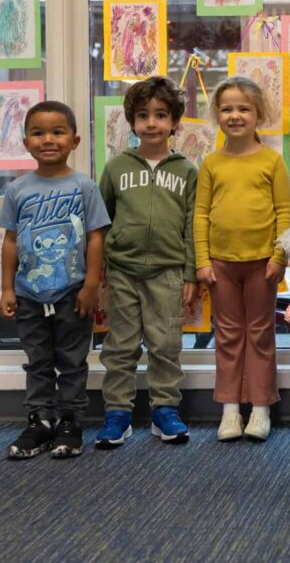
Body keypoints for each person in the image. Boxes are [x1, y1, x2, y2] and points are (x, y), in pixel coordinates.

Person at [0, 101, 110, 459]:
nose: (48, 139)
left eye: (58, 132)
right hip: (30, 293)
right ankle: (39, 421)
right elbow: (11, 240)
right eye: (38, 132)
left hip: (72, 292)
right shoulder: (18, 190)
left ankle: (70, 422)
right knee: (38, 360)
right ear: (26, 141)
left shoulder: (84, 186)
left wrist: (92, 285)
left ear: (75, 140)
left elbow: (95, 237)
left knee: (73, 360)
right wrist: (6, 287)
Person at [96, 76, 198, 449]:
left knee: (165, 345)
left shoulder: (186, 171)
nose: (151, 123)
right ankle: (117, 414)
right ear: (132, 121)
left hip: (169, 272)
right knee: (120, 346)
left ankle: (165, 410)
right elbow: (101, 218)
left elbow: (192, 224)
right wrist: (101, 269)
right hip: (121, 271)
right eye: (143, 115)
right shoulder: (117, 167)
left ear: (174, 122)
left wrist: (189, 273)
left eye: (160, 115)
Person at [195, 76, 290, 442]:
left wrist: (280, 256)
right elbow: (200, 214)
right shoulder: (211, 163)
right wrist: (202, 261)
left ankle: (261, 409)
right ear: (217, 115)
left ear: (258, 115)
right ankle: (230, 410)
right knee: (228, 336)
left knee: (261, 335)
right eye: (227, 109)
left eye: (243, 109)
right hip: (220, 265)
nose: (235, 115)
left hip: (262, 264)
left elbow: (284, 211)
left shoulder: (271, 161)